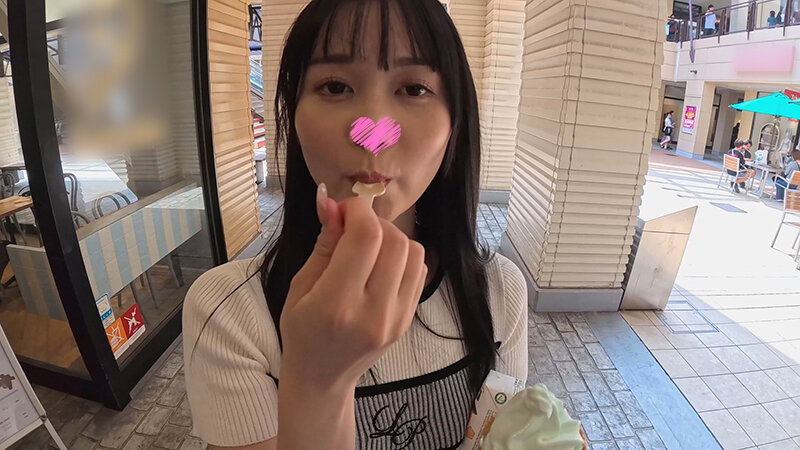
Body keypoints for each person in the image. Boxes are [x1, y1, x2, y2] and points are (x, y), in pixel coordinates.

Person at [182, 1, 528, 449]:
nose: (373, 132)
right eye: (335, 86)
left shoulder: (499, 292)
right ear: (293, 114)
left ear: (455, 124)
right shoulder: (228, 313)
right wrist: (318, 381)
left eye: (414, 89)